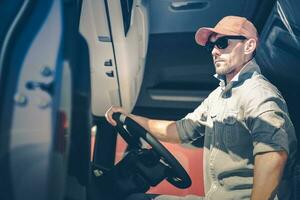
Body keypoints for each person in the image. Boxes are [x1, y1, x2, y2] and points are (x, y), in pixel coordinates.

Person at [105, 16, 297, 200]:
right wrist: (129, 118)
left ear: (249, 46)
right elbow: (178, 130)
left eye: (222, 43)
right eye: (212, 46)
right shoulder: (218, 97)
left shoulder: (259, 93)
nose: (214, 51)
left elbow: (273, 155)